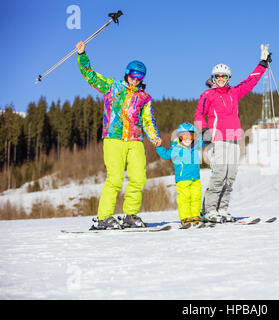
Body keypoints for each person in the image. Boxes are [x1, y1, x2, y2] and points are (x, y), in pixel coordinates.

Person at [76, 41, 162, 230]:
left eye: (140, 75)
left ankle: (130, 215)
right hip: (114, 138)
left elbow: (148, 120)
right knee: (114, 179)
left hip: (135, 140)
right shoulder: (112, 87)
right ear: (127, 73)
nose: (136, 79)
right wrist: (82, 55)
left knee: (139, 178)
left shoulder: (145, 98)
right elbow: (90, 76)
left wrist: (154, 136)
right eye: (134, 74)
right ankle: (103, 218)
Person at [194, 45, 272, 223]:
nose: (221, 79)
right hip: (218, 138)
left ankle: (222, 209)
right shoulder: (208, 94)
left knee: (231, 176)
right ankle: (208, 210)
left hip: (234, 137)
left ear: (228, 78)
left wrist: (262, 64)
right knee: (219, 173)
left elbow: (250, 82)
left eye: (224, 77)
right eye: (217, 77)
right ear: (213, 78)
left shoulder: (234, 92)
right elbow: (199, 114)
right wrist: (204, 130)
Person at [155, 123, 205, 226]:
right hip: (182, 179)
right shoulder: (176, 147)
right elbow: (166, 155)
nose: (187, 139)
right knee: (184, 198)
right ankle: (185, 217)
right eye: (184, 136)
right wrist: (159, 147)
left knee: (196, 197)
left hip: (195, 178)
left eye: (190, 136)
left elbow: (205, 140)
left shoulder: (195, 145)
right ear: (179, 137)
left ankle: (195, 215)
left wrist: (209, 133)